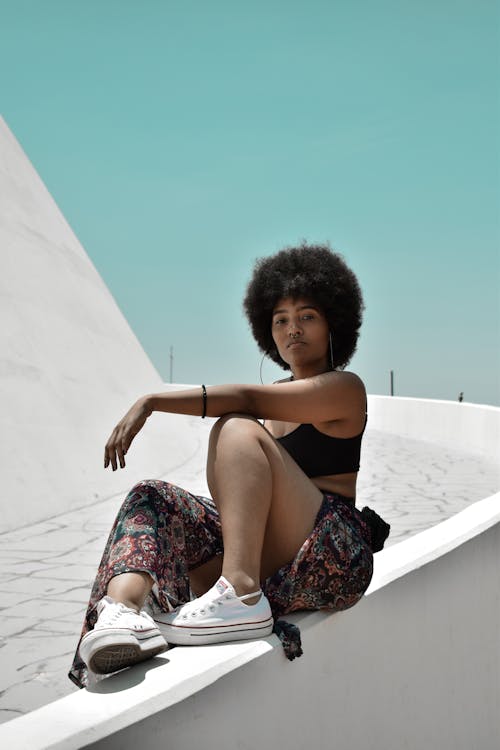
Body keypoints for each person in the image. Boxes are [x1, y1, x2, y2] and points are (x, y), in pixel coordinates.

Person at [68, 242, 390, 688]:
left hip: (333, 552)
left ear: (334, 321)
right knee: (153, 497)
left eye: (306, 316)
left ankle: (239, 592)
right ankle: (121, 614)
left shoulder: (344, 388)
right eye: (280, 320)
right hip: (278, 557)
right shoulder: (277, 393)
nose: (292, 329)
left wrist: (152, 401)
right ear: (267, 331)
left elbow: (245, 399)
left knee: (236, 426)